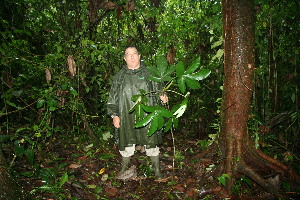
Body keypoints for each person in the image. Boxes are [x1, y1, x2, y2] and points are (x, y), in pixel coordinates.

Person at [107, 46, 168, 179]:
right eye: (128, 54)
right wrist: (114, 115)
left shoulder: (150, 73)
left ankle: (157, 170)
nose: (132, 57)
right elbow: (113, 97)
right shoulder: (119, 77)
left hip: (148, 114)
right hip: (126, 115)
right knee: (126, 142)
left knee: (151, 142)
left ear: (139, 56)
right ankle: (124, 167)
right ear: (125, 59)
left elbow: (160, 90)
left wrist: (163, 97)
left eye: (134, 53)